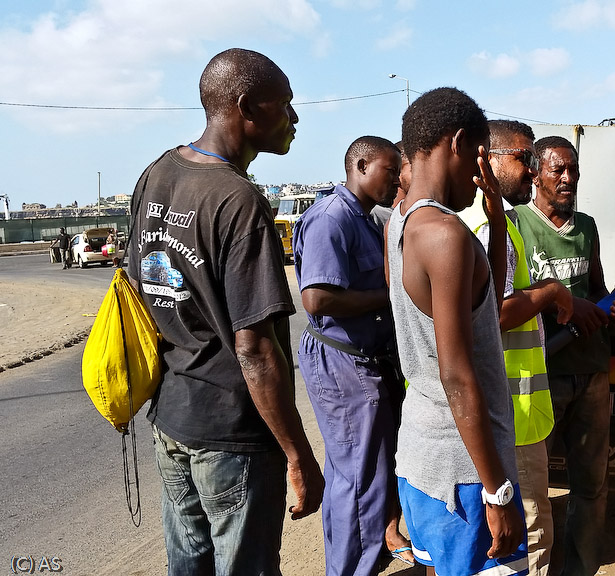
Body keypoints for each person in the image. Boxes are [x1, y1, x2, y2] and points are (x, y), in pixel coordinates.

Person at [126, 48, 324, 576]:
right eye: (285, 104)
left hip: (172, 417)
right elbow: (254, 348)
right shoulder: (239, 201)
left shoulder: (155, 174)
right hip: (232, 433)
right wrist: (298, 455)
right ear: (245, 107)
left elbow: (140, 288)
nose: (294, 117)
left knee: (187, 566)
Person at [384, 87, 528, 576]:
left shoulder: (400, 222)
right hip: (465, 472)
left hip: (422, 457)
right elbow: (457, 376)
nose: (481, 171)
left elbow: (482, 307)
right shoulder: (446, 236)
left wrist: (496, 224)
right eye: (479, 155)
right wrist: (497, 491)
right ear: (459, 142)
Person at [513, 136, 615, 576]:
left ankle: (581, 569)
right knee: (532, 488)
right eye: (558, 170)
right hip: (541, 372)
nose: (568, 178)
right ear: (535, 173)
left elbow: (595, 289)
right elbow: (506, 301)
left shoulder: (586, 227)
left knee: (591, 485)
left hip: (591, 371)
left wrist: (610, 303)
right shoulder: (515, 224)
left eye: (574, 170)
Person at [293, 135, 413, 575]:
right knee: (361, 481)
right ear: (360, 166)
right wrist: (390, 296)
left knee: (358, 474)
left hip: (362, 359)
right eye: (389, 170)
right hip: (343, 361)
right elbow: (317, 299)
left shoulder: (363, 217)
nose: (396, 180)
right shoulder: (332, 218)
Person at [475, 120, 574, 576]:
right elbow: (493, 314)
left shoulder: (498, 221)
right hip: (510, 412)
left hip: (514, 409)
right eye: (523, 158)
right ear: (488, 159)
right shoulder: (486, 224)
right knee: (531, 533)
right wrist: (551, 291)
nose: (532, 170)